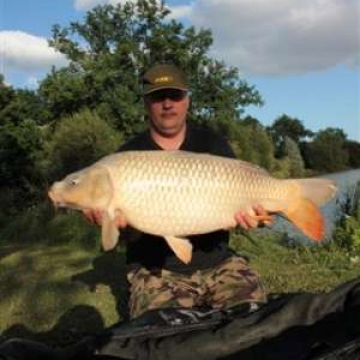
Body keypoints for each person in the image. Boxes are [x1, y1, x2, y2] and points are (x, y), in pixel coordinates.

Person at [85, 63, 269, 319]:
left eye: (175, 95)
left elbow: (237, 217)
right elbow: (125, 239)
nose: (168, 104)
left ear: (187, 100)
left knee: (252, 318)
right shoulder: (125, 158)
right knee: (163, 336)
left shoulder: (212, 143)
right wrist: (121, 226)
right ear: (146, 103)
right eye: (159, 97)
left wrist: (254, 219)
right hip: (156, 270)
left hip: (220, 263)